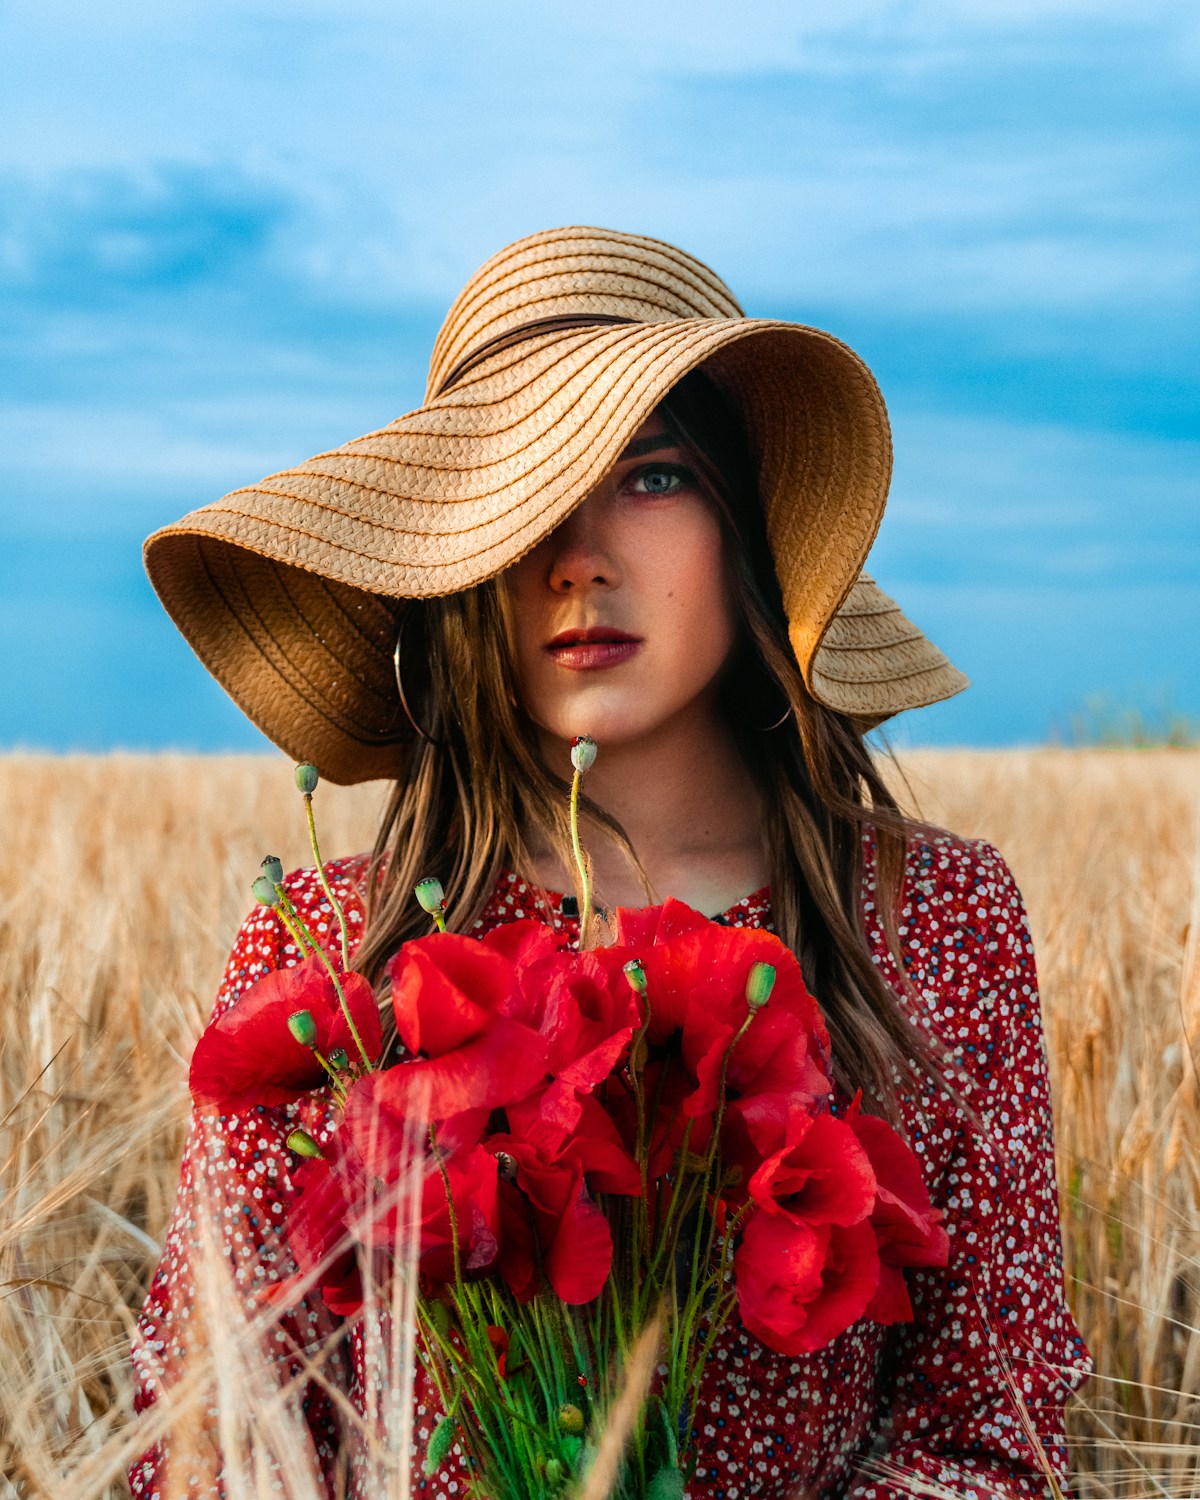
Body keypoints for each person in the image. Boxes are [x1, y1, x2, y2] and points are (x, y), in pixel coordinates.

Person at [131, 226, 1091, 1498]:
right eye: (524, 498)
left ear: (746, 531)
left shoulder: (936, 923)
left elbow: (990, 1438)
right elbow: (202, 1441)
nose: (579, 555)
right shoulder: (332, 966)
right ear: (458, 565)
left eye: (652, 478)